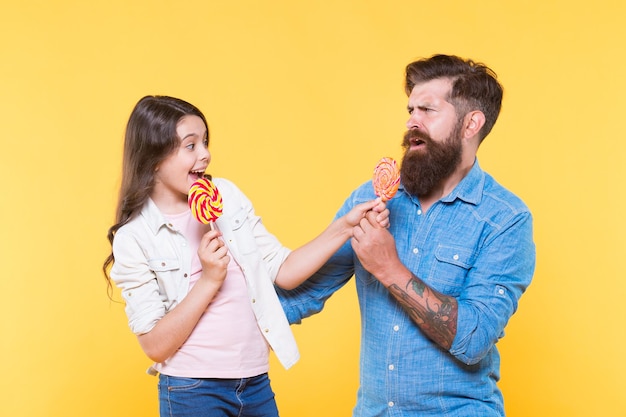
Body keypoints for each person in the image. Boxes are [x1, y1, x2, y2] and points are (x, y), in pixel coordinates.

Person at [277, 54, 536, 416]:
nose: (411, 121)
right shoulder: (369, 199)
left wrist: (389, 268)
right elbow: (301, 294)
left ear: (471, 123)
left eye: (427, 110)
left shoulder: (504, 219)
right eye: (410, 109)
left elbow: (474, 338)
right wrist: (206, 296)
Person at [102, 95, 388, 417]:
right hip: (193, 389)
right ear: (154, 158)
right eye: (191, 146)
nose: (206, 155)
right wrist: (209, 279)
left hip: (255, 382)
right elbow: (155, 345)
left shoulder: (226, 196)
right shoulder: (134, 238)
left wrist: (344, 227)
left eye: (206, 142)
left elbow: (284, 271)